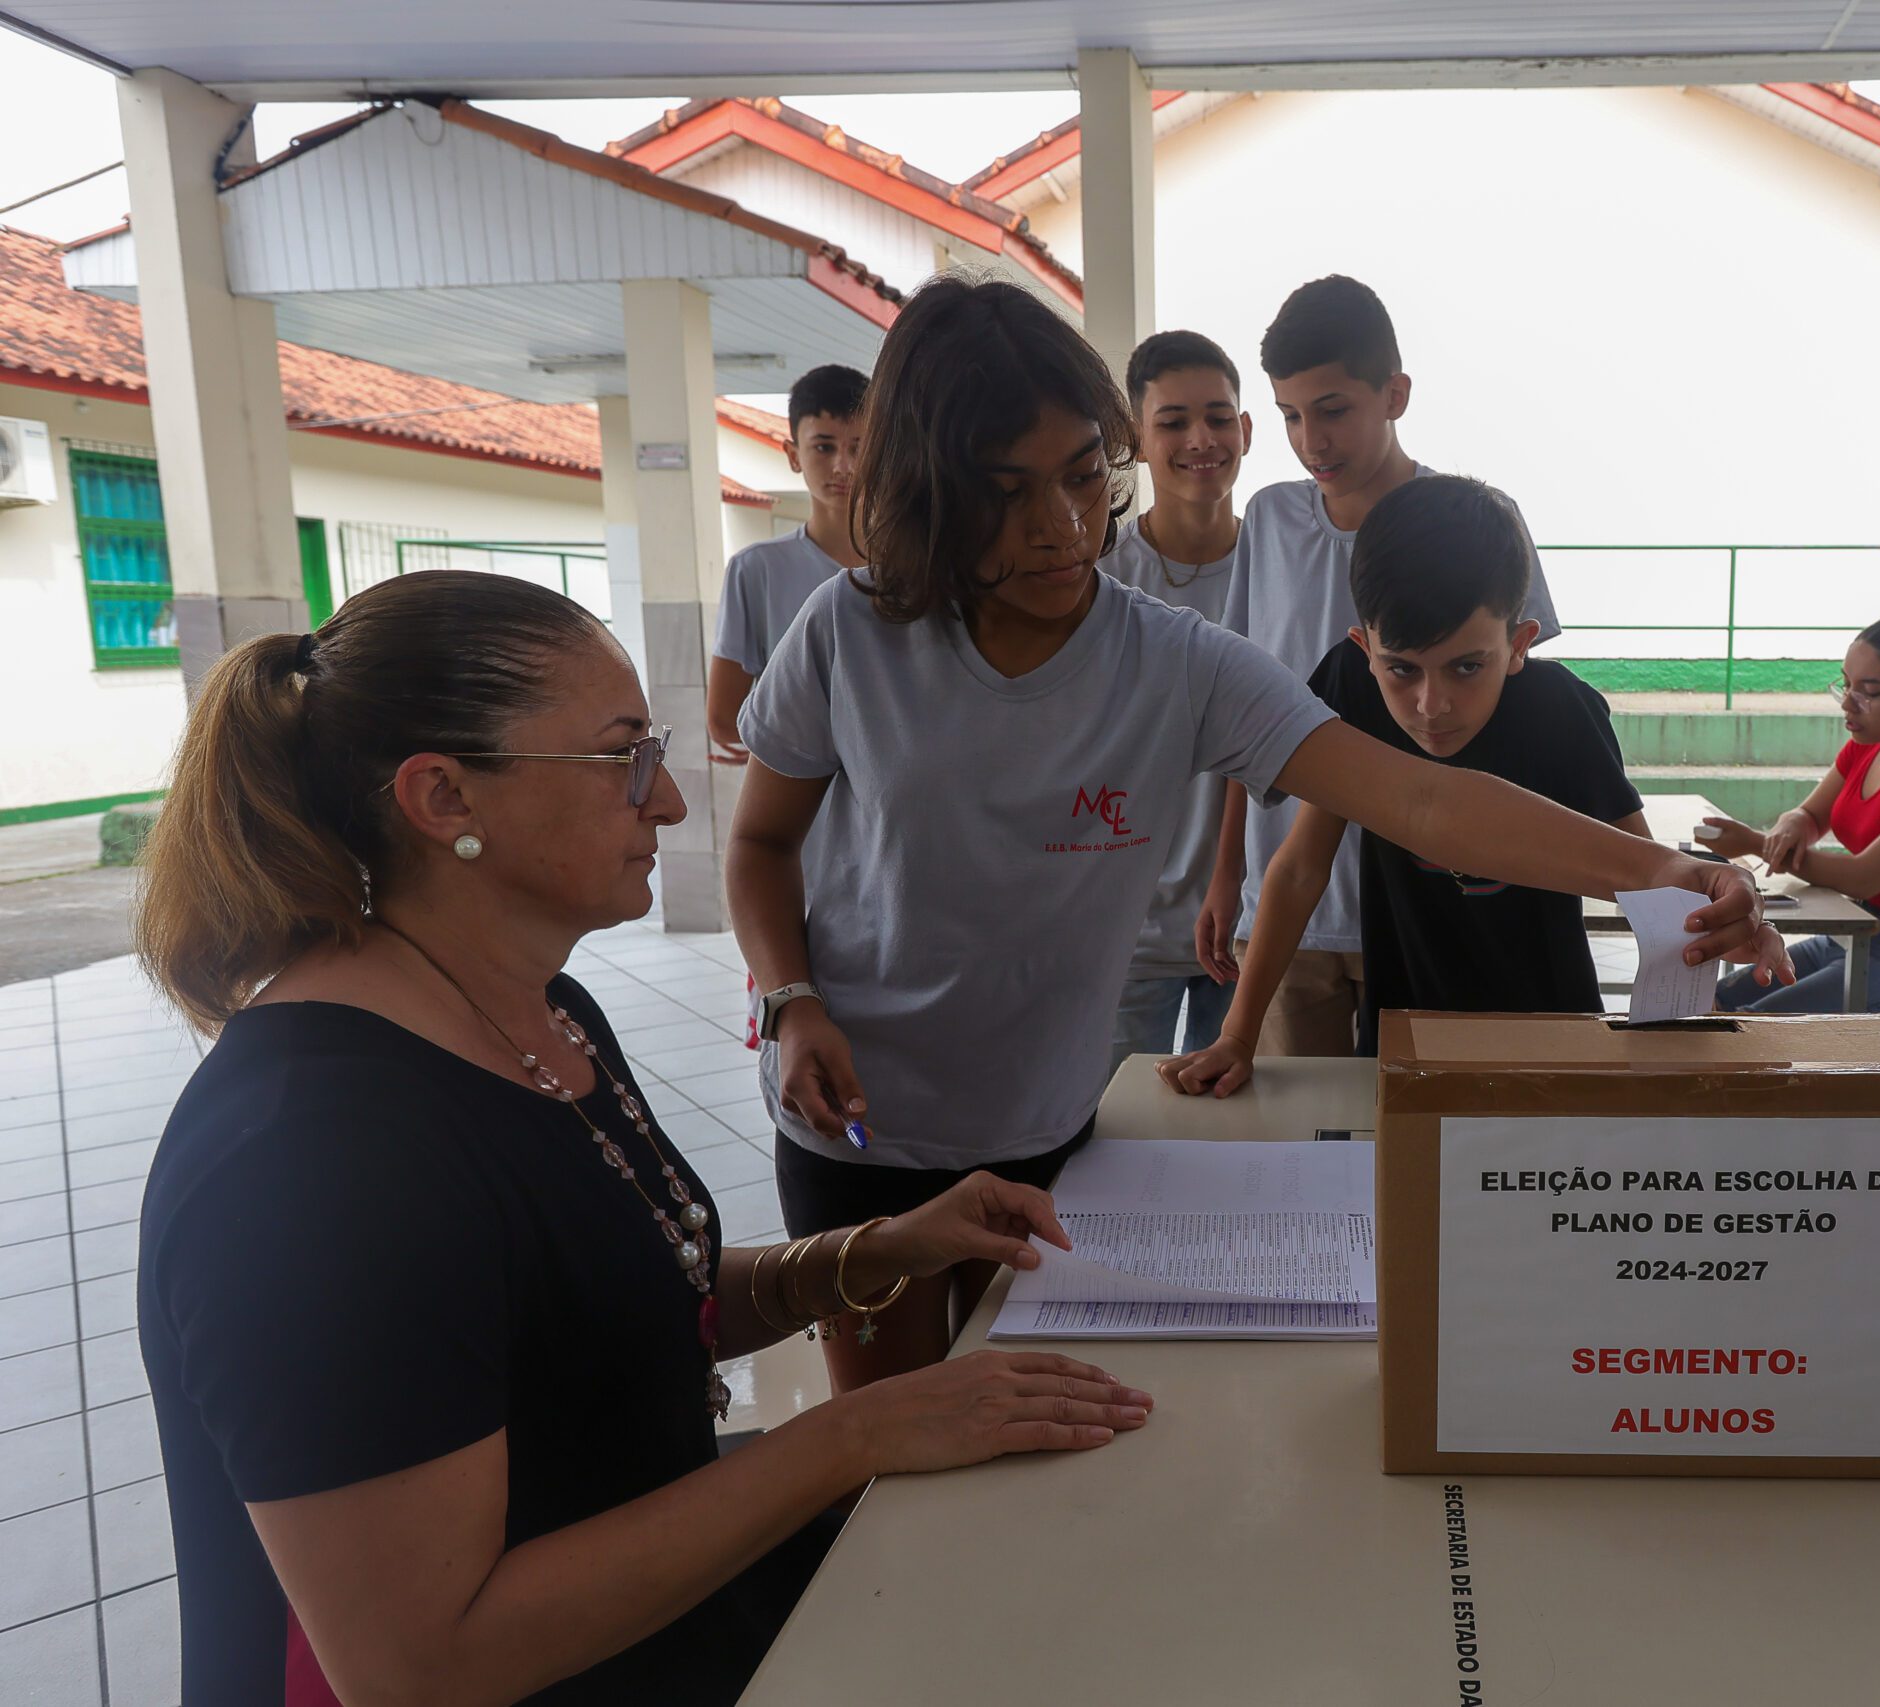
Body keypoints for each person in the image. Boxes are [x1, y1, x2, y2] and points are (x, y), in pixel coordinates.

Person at [724, 277, 1777, 1399]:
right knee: (884, 1439)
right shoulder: (849, 630)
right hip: (859, 1127)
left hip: (1052, 1127)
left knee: (1028, 1447)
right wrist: (791, 1002)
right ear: (930, 491)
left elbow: (1419, 799)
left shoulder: (1170, 658)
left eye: (1084, 476)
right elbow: (760, 848)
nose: (1060, 528)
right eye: (1004, 494)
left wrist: (1663, 868)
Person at [132, 571, 1152, 1707]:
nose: (666, 800)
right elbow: (420, 1662)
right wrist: (851, 1434)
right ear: (443, 798)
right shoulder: (310, 1164)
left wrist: (874, 1251)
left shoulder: (540, 1012)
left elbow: (606, 1304)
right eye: (621, 756)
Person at [1163, 475, 1791, 1096]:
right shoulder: (1351, 688)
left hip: (1553, 1036)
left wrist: (1721, 915)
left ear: (1520, 643)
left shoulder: (1563, 711)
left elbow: (1650, 880)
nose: (1431, 704)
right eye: (1401, 670)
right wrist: (1238, 1036)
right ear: (1364, 645)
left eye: (1467, 666)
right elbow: (1299, 868)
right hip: (1405, 1037)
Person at [1209, 275, 1564, 1058]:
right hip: (1290, 902)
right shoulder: (1267, 521)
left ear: (1395, 393)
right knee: (1295, 1140)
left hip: (1425, 900)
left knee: (1413, 1143)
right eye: (1290, 417)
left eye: (1333, 410)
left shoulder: (1478, 523)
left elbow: (1523, 711)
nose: (1312, 441)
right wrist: (1226, 868)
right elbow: (1245, 716)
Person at [1697, 612, 1880, 1021]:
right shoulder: (1867, 746)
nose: (1847, 702)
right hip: (1854, 932)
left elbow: (1865, 877)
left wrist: (1755, 843)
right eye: (1846, 683)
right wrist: (1793, 821)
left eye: (1869, 691)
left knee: (1747, 1027)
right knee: (1709, 1001)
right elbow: (1812, 814)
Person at [1100, 329, 1253, 1073]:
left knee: (1234, 1146)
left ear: (1246, 430)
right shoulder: (1099, 576)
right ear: (1135, 439)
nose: (1201, 439)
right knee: (1117, 1144)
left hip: (1251, 925)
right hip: (1126, 929)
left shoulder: (1275, 568)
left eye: (1219, 417)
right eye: (1174, 421)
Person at [708, 363, 868, 767]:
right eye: (824, 447)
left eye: (859, 447)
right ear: (793, 455)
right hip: (804, 818)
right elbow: (725, 720)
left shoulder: (919, 564)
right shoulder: (756, 569)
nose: (843, 467)